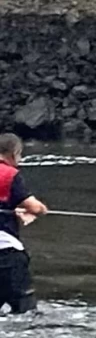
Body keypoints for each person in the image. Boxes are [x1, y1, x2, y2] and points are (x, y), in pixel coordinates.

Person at [0, 134, 48, 314]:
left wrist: (13, 209)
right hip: (6, 252)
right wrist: (40, 209)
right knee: (26, 310)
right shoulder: (8, 174)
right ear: (14, 153)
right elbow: (35, 207)